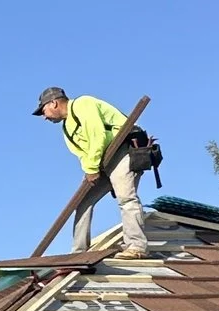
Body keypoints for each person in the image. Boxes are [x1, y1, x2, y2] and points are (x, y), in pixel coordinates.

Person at [34, 86, 151, 253]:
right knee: (82, 202)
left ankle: (136, 246)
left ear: (53, 103)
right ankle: (78, 252)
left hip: (122, 149)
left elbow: (98, 135)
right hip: (101, 162)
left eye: (43, 110)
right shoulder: (67, 128)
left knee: (126, 197)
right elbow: (83, 154)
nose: (44, 117)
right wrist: (89, 171)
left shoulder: (83, 104)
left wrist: (92, 168)